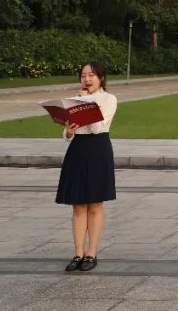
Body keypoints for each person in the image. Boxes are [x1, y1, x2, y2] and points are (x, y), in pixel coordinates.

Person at [54, 61, 118, 273]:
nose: (87, 79)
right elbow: (68, 134)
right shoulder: (74, 100)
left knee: (95, 204)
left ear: (101, 78)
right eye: (83, 75)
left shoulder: (109, 99)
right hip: (78, 150)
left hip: (98, 149)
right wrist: (69, 130)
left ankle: (91, 252)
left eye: (91, 75)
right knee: (78, 205)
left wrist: (86, 103)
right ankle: (78, 253)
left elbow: (98, 127)